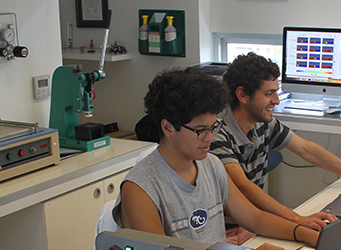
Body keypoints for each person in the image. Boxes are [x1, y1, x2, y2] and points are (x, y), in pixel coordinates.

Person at [116, 68, 318, 249]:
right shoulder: (140, 188)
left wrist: (306, 233)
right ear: (168, 127)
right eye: (201, 130)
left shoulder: (210, 164)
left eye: (213, 127)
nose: (210, 137)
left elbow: (253, 217)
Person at [210, 52, 341, 234]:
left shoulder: (262, 122)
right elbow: (243, 187)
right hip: (228, 229)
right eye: (269, 93)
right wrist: (297, 220)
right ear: (242, 95)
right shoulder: (216, 132)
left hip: (253, 223)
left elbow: (307, 150)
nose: (276, 100)